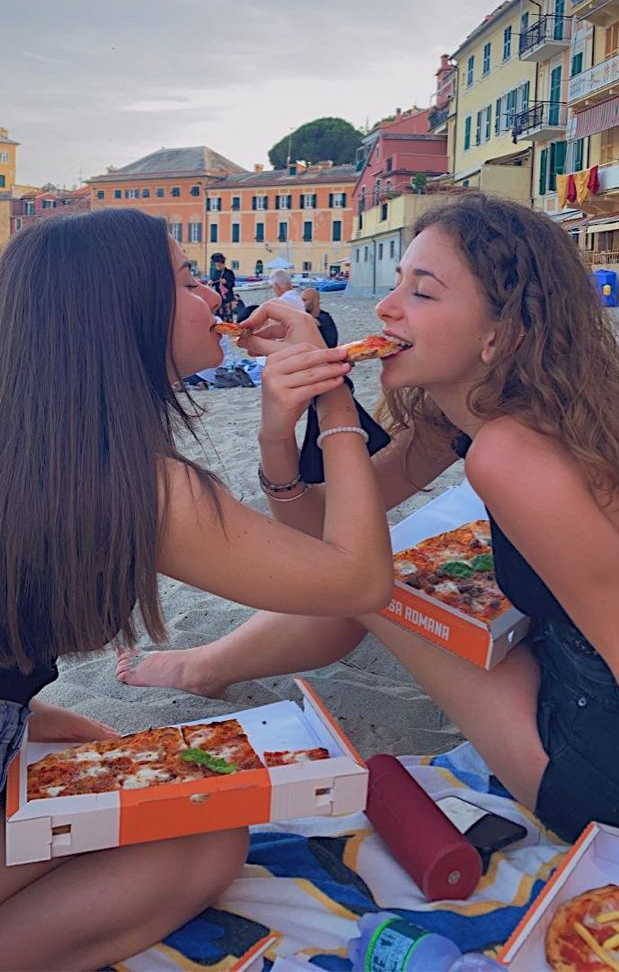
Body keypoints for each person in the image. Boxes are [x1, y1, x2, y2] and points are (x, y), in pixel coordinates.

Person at [118, 193, 619, 847]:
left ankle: (205, 666)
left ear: (501, 334)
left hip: (609, 769)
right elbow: (325, 531)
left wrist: (331, 410)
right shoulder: (473, 410)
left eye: (423, 292)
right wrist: (280, 434)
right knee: (368, 572)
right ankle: (208, 665)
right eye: (399, 281)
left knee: (370, 582)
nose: (385, 307)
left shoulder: (511, 453)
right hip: (573, 674)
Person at [0, 209, 394, 970]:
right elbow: (359, 580)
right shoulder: (134, 485)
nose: (215, 299)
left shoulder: (35, 444)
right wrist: (332, 396)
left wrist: (44, 717)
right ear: (125, 315)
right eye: (187, 282)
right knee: (205, 830)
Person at [210, 253, 235, 320]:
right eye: (217, 266)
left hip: (227, 298)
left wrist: (226, 282)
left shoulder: (229, 272)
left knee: (227, 316)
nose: (218, 267)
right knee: (218, 316)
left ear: (223, 264)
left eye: (219, 266)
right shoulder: (216, 272)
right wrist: (211, 282)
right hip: (219, 298)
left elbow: (232, 284)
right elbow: (214, 281)